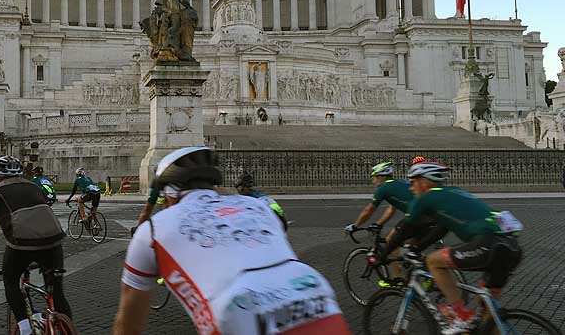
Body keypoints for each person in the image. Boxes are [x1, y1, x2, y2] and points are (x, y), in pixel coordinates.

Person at [113, 146, 351, 335]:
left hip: (241, 316)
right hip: (319, 303)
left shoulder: (153, 229)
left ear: (170, 193)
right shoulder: (258, 207)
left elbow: (129, 323)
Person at [380, 161, 523, 335]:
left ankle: (461, 316)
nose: (410, 188)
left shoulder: (426, 197)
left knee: (434, 261)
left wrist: (384, 255)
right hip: (512, 247)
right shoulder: (455, 192)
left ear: (422, 181)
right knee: (486, 309)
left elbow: (404, 231)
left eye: (412, 182)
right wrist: (417, 249)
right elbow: (441, 229)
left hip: (490, 244)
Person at [0, 156, 71, 335]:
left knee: (10, 280)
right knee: (57, 292)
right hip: (54, 240)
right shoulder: (34, 186)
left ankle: (25, 329)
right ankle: (66, 327)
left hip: (21, 245)